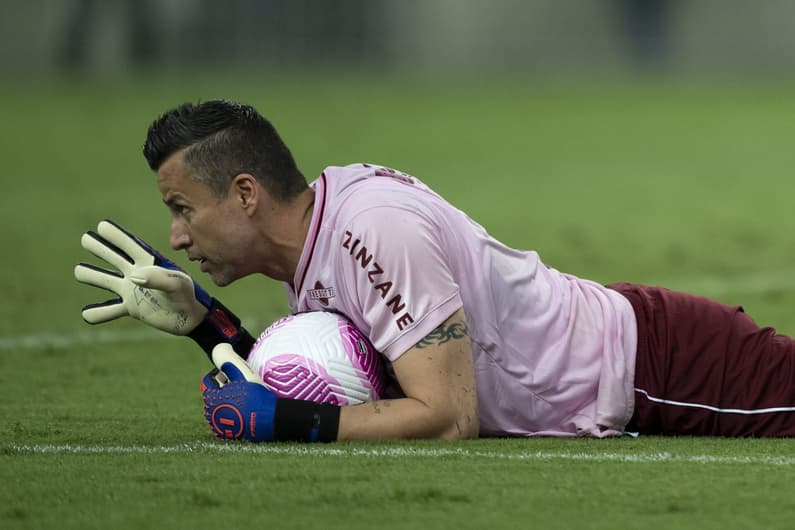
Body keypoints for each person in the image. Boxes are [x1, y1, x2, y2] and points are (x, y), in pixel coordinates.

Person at [76, 100, 795, 442]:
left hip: (661, 367)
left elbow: (449, 418)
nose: (176, 234)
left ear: (244, 193)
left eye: (182, 208)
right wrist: (214, 330)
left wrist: (285, 423)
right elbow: (349, 374)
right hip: (624, 359)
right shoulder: (320, 233)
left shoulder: (370, 230)